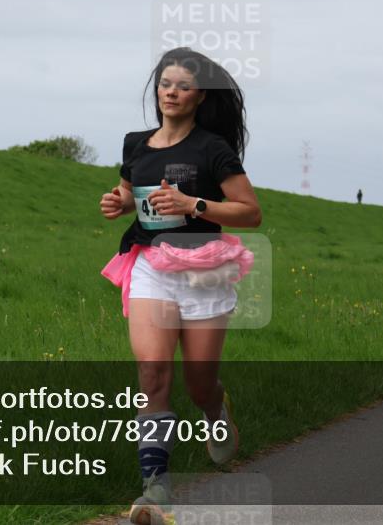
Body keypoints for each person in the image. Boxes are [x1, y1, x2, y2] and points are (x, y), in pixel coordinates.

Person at [99, 48, 262, 523]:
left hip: (204, 270)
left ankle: (215, 409)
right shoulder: (136, 143)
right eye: (165, 83)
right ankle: (155, 491)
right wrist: (118, 202)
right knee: (152, 375)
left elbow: (250, 212)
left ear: (199, 96)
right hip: (150, 264)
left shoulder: (213, 149)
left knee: (198, 381)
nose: (171, 92)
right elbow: (133, 193)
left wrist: (195, 204)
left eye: (182, 86)